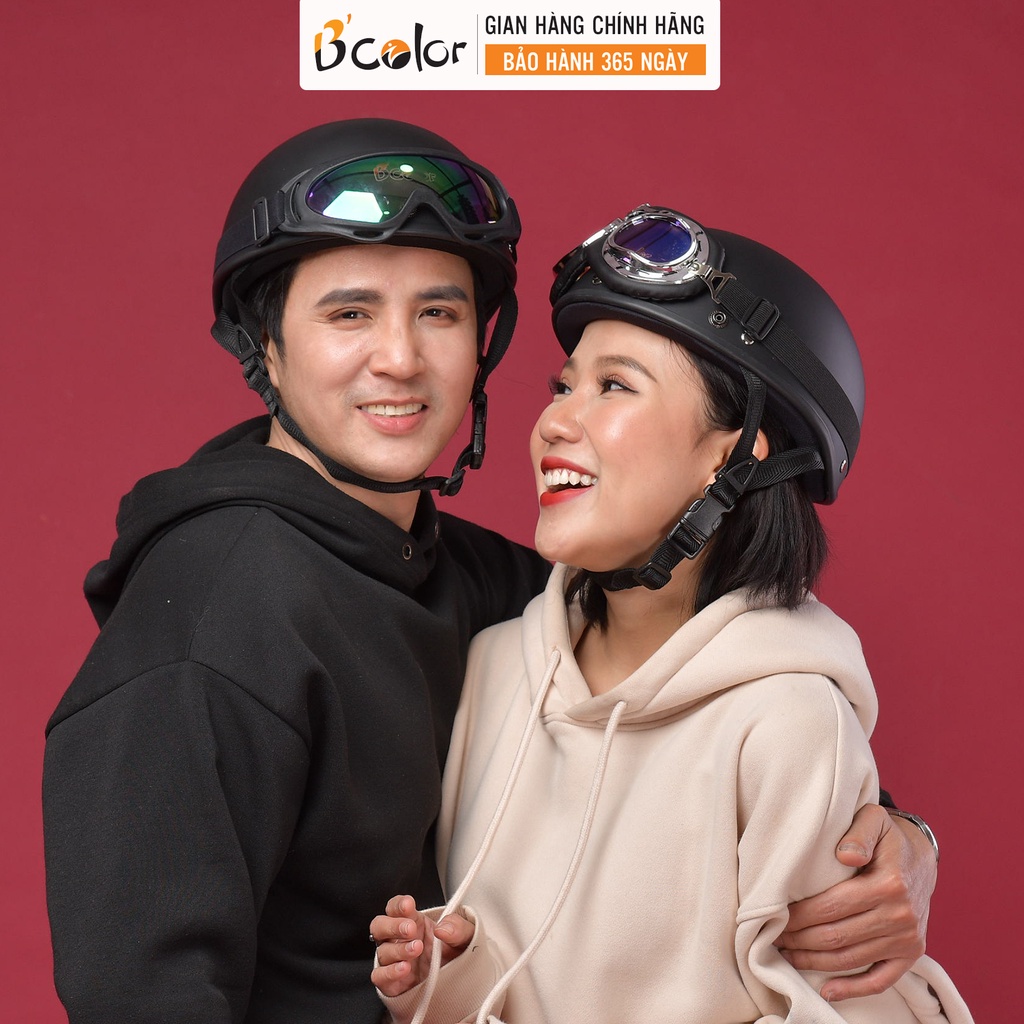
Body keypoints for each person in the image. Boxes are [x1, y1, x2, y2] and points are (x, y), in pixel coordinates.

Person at [42, 117, 932, 1024]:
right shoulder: (209, 614)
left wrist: (887, 841)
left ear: (480, 347)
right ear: (264, 345)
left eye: (439, 312)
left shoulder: (494, 593)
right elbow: (137, 993)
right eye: (349, 313)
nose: (400, 357)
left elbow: (699, 670)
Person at [369, 205, 973, 1022]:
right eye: (564, 386)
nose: (553, 421)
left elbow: (847, 1003)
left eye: (614, 386)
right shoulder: (496, 667)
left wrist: (915, 839)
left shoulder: (790, 722)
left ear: (733, 455)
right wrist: (451, 972)